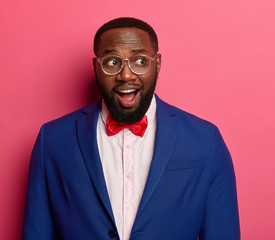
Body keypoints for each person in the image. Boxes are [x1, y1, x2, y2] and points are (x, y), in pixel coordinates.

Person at [22, 17, 240, 240]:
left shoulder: (206, 139)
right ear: (96, 67)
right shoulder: (53, 139)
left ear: (158, 64)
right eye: (112, 62)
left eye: (140, 61)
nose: (125, 75)